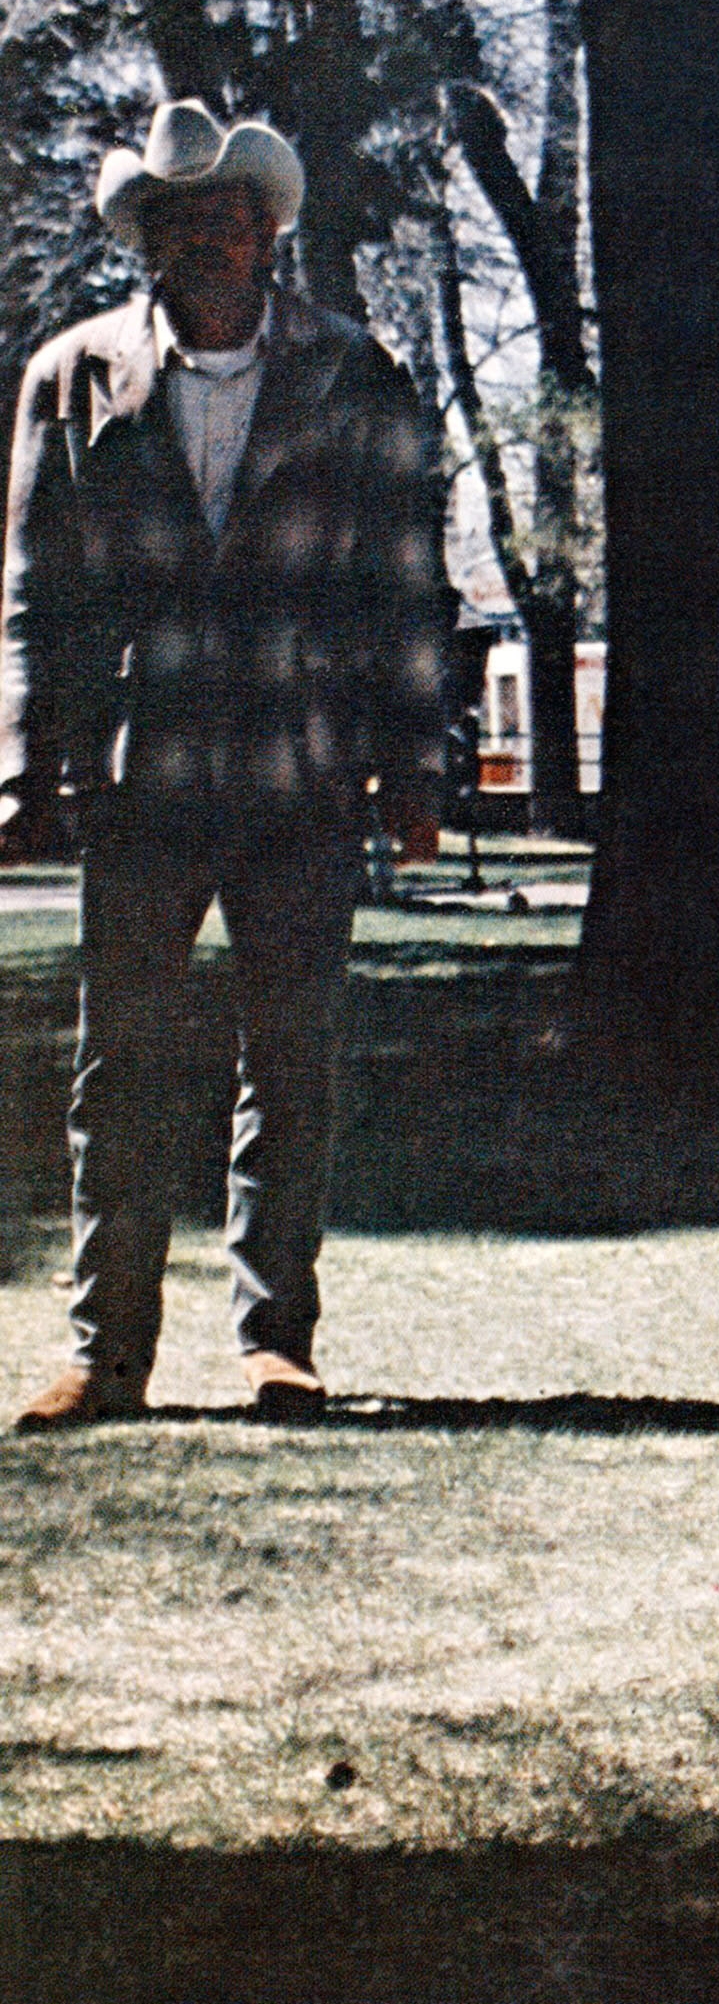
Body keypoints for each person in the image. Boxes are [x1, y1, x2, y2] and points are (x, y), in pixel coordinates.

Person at [2, 100, 449, 1432]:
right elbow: (36, 593)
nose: (209, 235)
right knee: (118, 1068)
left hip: (301, 770)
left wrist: (418, 769)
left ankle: (277, 1342)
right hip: (136, 780)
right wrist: (25, 771)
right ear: (151, 236)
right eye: (180, 217)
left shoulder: (356, 372)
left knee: (291, 1059)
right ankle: (106, 1353)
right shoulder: (71, 376)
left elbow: (406, 583)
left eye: (231, 213)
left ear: (268, 227)